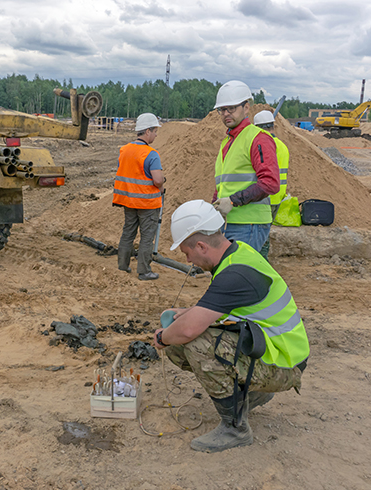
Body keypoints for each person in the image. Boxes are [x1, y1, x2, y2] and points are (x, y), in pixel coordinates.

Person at [153, 200, 309, 453]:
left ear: (201, 246)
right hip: (276, 351)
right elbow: (224, 308)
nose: (189, 260)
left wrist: (162, 337)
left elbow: (189, 331)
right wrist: (186, 314)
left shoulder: (234, 274)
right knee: (183, 337)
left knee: (195, 344)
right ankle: (251, 391)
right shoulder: (237, 253)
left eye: (186, 253)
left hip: (284, 363)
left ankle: (235, 428)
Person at [212, 81, 280, 252]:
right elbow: (223, 184)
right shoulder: (227, 142)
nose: (226, 114)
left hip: (249, 224)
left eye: (232, 108)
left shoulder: (258, 138)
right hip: (229, 221)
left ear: (246, 108)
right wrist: (215, 204)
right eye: (222, 110)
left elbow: (270, 183)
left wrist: (233, 201)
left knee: (239, 274)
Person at [114, 112, 165, 280]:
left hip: (129, 201)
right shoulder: (151, 154)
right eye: (155, 131)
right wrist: (163, 181)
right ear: (147, 131)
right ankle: (144, 271)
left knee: (128, 233)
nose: (156, 135)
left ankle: (123, 266)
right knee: (146, 237)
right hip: (148, 204)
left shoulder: (124, 151)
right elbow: (157, 180)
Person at [253, 110, 289, 260]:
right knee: (265, 231)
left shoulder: (261, 146)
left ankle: (260, 264)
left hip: (263, 197)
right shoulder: (283, 147)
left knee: (259, 235)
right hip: (277, 197)